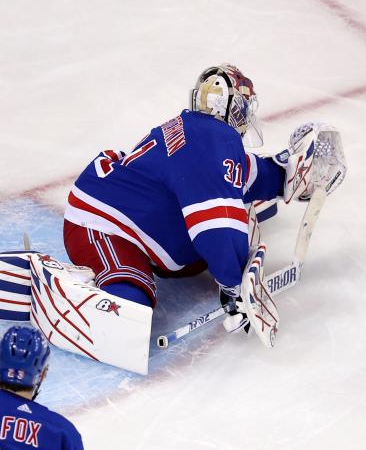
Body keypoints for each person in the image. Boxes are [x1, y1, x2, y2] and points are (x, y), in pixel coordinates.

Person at [62, 64, 334, 334]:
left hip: (130, 212)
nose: (245, 115)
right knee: (128, 310)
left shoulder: (202, 134)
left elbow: (241, 174)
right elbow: (216, 226)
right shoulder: (213, 140)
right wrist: (232, 284)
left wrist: (282, 175)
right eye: (243, 107)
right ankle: (65, 287)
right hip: (102, 223)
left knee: (205, 242)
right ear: (230, 106)